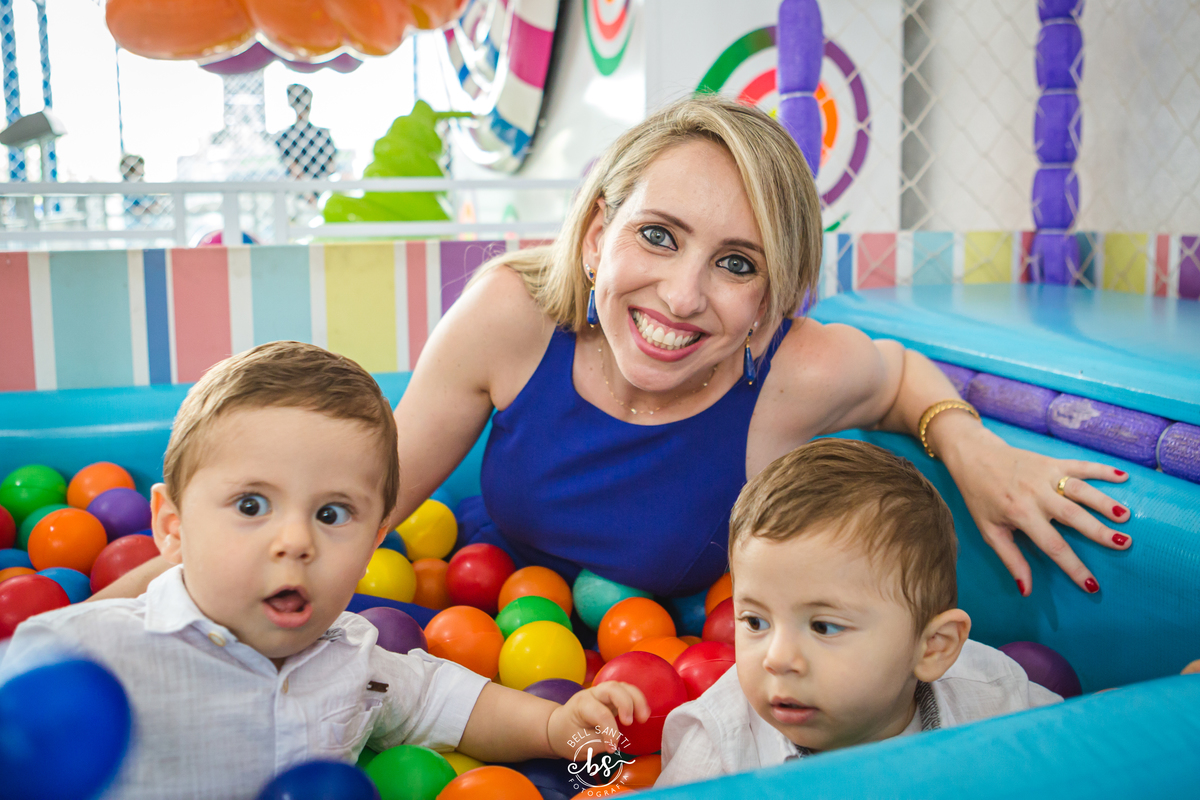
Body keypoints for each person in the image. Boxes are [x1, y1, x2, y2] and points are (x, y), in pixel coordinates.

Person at [97, 95, 1130, 604]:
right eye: (658, 236)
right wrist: (118, 610)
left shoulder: (795, 373)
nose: (682, 296)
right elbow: (368, 499)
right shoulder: (512, 315)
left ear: (772, 302)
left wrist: (970, 444)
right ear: (597, 236)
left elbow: (901, 377)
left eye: (737, 264)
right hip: (491, 609)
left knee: (607, 767)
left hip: (651, 682)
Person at [1, 342, 648, 800]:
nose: (296, 541)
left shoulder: (352, 657)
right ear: (171, 527)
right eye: (251, 505)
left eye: (333, 514)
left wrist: (552, 727)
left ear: (372, 547)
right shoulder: (86, 650)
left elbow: (440, 699)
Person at [656, 438, 1062, 787]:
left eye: (823, 626)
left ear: (932, 647)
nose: (776, 659)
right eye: (755, 622)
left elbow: (1083, 757)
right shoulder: (718, 753)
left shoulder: (997, 701)